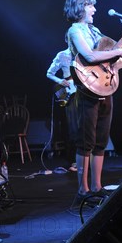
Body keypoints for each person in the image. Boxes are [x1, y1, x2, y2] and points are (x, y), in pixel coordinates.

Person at [64, 0, 122, 198]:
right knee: (86, 140)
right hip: (87, 88)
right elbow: (89, 55)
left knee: (101, 139)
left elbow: (113, 56)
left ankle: (96, 186)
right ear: (80, 7)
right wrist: (117, 53)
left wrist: (120, 61)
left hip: (105, 86)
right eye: (90, 6)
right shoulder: (75, 30)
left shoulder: (95, 30)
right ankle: (82, 189)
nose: (94, 9)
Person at [46, 37, 78, 172]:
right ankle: (73, 160)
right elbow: (49, 73)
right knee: (73, 127)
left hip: (85, 90)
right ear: (67, 40)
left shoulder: (84, 54)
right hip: (70, 92)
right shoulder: (62, 55)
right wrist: (60, 81)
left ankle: (87, 159)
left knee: (86, 125)